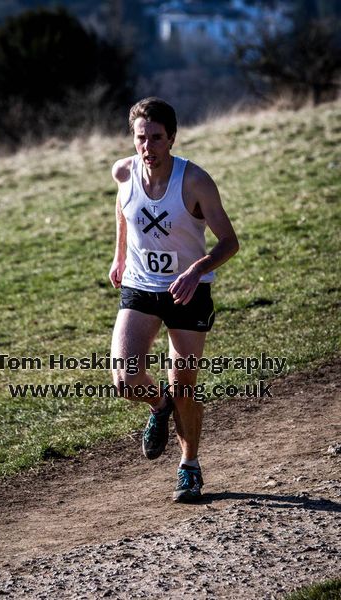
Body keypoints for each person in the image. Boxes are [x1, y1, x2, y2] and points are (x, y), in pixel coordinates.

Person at [109, 97, 239, 503]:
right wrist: (118, 256)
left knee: (185, 384)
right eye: (140, 138)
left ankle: (189, 467)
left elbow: (229, 243)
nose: (147, 147)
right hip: (140, 285)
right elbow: (123, 209)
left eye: (155, 138)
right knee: (125, 378)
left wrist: (196, 270)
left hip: (189, 290)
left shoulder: (195, 181)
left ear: (172, 138)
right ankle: (158, 406)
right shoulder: (124, 171)